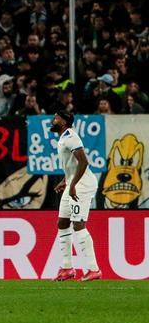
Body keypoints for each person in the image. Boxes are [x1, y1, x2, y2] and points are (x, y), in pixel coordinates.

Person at [51, 111, 102, 281]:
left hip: (83, 185)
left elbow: (84, 161)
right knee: (62, 222)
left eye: (56, 118)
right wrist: (67, 181)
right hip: (73, 183)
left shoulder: (71, 137)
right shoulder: (63, 138)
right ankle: (67, 268)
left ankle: (94, 269)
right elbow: (72, 165)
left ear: (64, 121)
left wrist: (72, 185)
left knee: (78, 224)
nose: (53, 120)